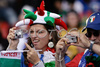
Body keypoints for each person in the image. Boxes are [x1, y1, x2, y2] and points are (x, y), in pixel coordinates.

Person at [7, 0, 69, 67]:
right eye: (31, 32)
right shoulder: (24, 56)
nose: (34, 36)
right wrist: (12, 47)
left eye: (40, 32)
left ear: (50, 35)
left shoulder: (62, 58)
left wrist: (37, 63)